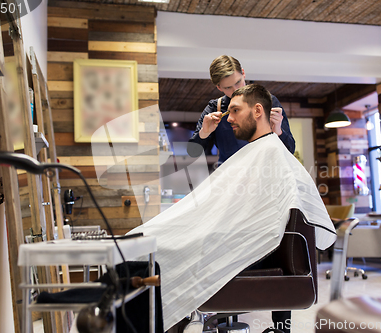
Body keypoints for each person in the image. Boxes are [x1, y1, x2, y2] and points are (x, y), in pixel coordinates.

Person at [129, 84, 336, 332]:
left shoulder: (271, 153)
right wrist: (204, 132)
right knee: (144, 246)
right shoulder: (247, 146)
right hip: (230, 224)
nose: (230, 118)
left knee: (153, 252)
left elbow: (258, 219)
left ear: (258, 110)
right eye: (228, 108)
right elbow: (195, 154)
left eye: (236, 110)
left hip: (249, 246)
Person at [187, 55, 295, 165]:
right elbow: (192, 153)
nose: (236, 90)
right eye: (228, 87)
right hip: (230, 178)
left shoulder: (268, 103)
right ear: (219, 87)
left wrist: (278, 132)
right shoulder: (214, 109)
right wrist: (204, 133)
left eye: (238, 82)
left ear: (243, 73)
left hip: (265, 176)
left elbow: (290, 150)